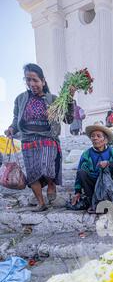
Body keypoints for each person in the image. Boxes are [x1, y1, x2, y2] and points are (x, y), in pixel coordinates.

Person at [5, 63, 74, 212]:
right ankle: (41, 203)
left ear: (43, 81)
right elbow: (16, 118)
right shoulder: (20, 99)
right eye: (28, 80)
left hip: (47, 138)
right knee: (32, 174)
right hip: (28, 140)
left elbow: (68, 119)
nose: (32, 84)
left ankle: (51, 184)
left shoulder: (53, 99)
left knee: (47, 166)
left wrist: (69, 99)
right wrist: (11, 128)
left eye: (35, 80)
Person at [71, 124, 113, 213]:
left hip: (110, 184)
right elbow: (79, 173)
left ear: (105, 140)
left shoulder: (112, 151)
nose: (95, 138)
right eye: (93, 136)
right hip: (93, 183)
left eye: (98, 136)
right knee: (81, 172)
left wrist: (110, 164)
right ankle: (92, 202)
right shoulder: (87, 154)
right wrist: (77, 191)